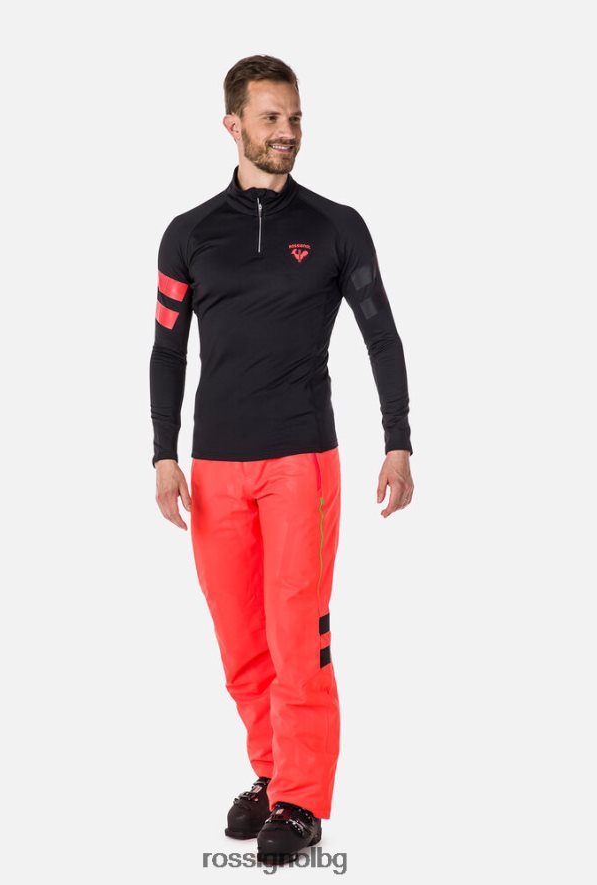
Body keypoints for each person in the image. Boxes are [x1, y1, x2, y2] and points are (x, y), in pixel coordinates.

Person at [149, 54, 415, 862]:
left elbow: (381, 334)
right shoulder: (189, 233)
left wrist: (397, 438)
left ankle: (301, 798)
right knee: (241, 641)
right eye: (270, 118)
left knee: (299, 636)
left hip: (302, 461)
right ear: (232, 123)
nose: (287, 132)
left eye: (294, 117)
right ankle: (271, 772)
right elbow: (167, 350)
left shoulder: (335, 225)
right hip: (215, 467)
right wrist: (163, 454)